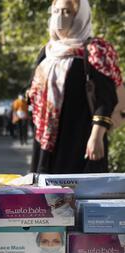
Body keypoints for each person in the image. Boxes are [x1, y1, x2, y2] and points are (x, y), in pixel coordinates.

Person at [28, 0, 122, 174]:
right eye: (55, 11)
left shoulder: (95, 50)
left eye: (66, 12)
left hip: (80, 137)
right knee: (46, 197)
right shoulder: (46, 52)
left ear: (80, 16)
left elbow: (106, 98)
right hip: (46, 142)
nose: (59, 17)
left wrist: (96, 136)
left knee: (79, 195)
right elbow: (32, 95)